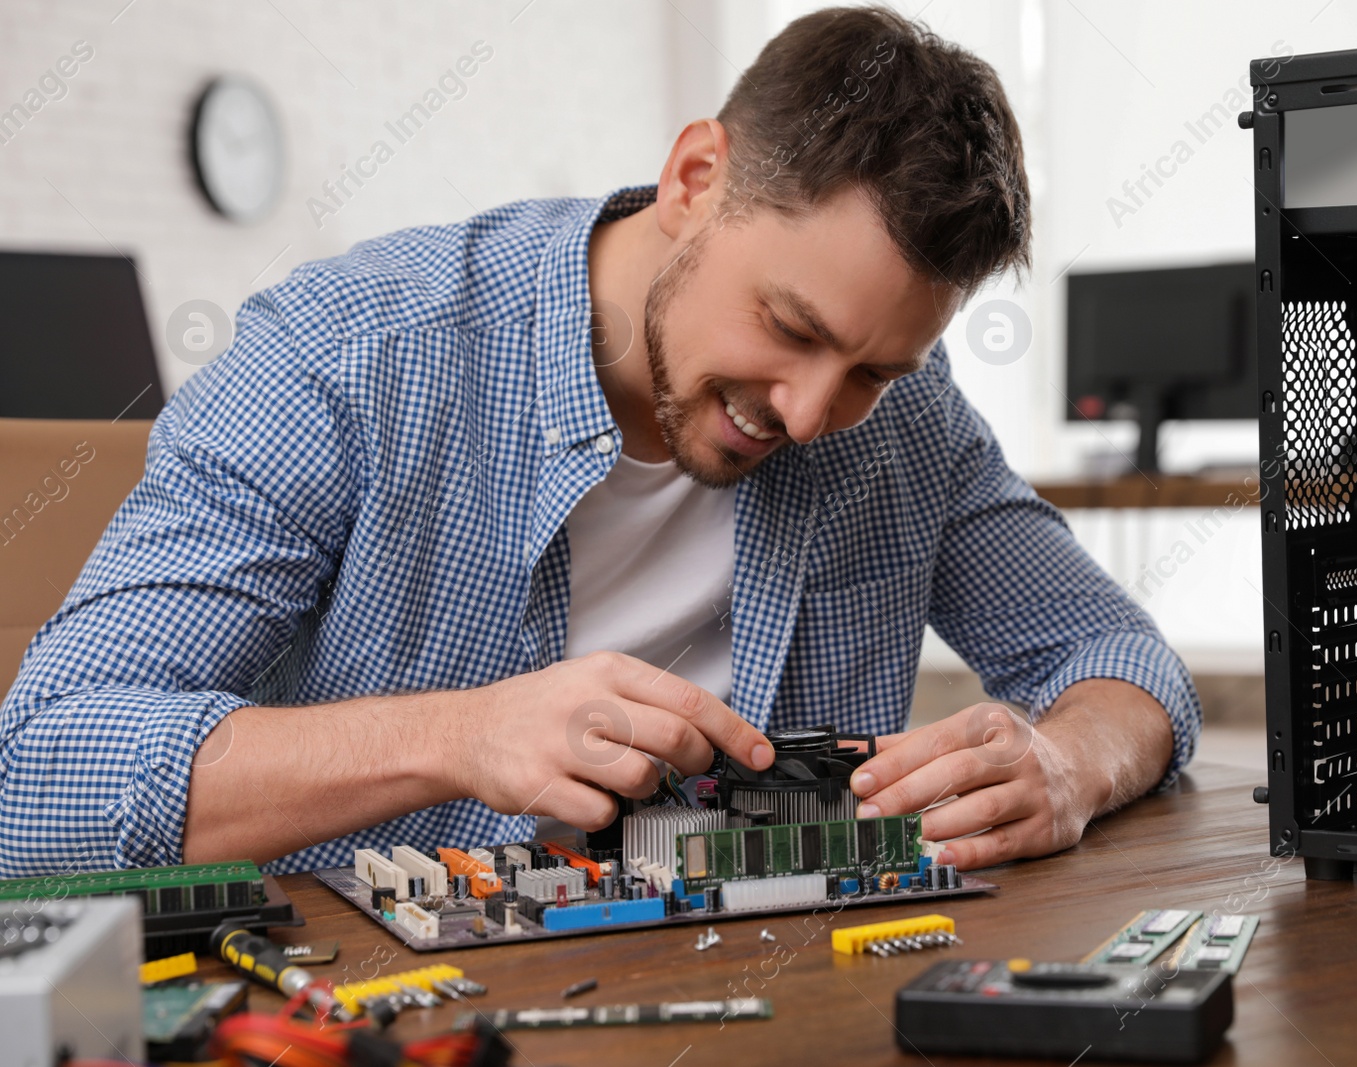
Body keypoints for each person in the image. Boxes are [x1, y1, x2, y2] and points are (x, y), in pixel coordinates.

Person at [0, 5, 1198, 878]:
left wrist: (1069, 761)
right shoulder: (346, 356)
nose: (808, 413)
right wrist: (457, 735)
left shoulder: (910, 423)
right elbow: (39, 769)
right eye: (788, 326)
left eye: (874, 369)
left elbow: (1114, 654)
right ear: (692, 176)